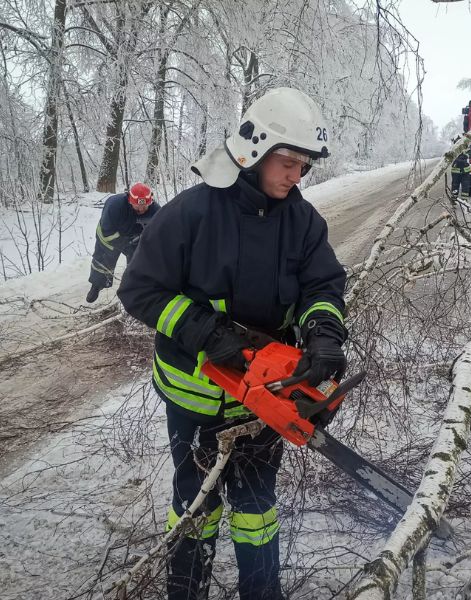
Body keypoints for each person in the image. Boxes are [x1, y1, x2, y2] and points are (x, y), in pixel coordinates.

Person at [117, 87, 348, 600]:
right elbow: (139, 290)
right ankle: (186, 588)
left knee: (256, 504)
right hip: (195, 396)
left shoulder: (303, 221)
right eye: (288, 162)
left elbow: (322, 287)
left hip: (267, 399)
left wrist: (325, 335)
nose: (296, 176)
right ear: (255, 151)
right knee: (196, 502)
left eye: (304, 166)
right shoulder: (192, 213)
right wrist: (206, 332)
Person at [85, 182, 160, 303]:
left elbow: (161, 228)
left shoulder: (155, 210)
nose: (141, 209)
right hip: (109, 236)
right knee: (104, 260)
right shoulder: (115, 205)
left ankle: (133, 288)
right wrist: (124, 243)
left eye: (145, 206)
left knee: (138, 261)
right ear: (130, 200)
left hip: (133, 237)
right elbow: (106, 230)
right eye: (137, 206)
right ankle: (97, 285)